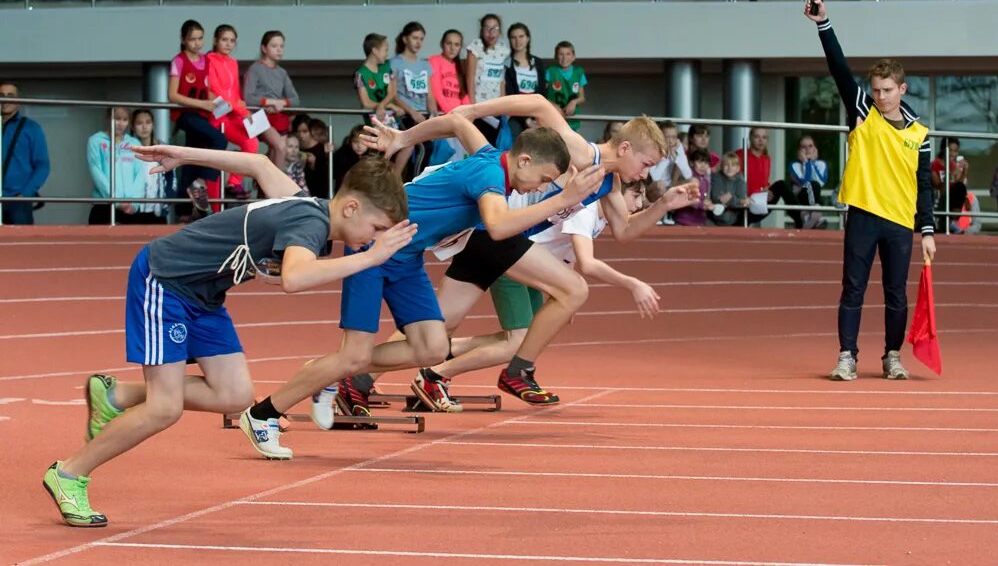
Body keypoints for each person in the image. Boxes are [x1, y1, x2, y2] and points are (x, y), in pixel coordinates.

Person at [42, 146, 414, 527]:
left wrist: (182, 155)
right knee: (164, 408)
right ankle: (69, 473)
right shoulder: (311, 223)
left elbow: (258, 164)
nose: (375, 239)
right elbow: (295, 277)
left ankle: (116, 394)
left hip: (204, 297)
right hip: (166, 281)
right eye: (377, 229)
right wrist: (372, 258)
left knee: (234, 396)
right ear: (351, 208)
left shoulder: (309, 206)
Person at [243, 111, 608, 456]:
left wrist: (404, 137)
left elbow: (455, 121)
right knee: (354, 353)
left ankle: (331, 371)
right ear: (524, 161)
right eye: (544, 179)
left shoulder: (489, 155)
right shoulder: (490, 178)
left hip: (406, 258)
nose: (542, 187)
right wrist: (564, 198)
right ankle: (264, 413)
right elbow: (497, 227)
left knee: (433, 348)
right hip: (373, 245)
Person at [331, 94, 698, 415]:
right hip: (498, 230)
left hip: (488, 236)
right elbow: (538, 103)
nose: (644, 174)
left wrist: (664, 204)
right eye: (647, 164)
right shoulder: (581, 153)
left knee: (440, 326)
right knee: (573, 289)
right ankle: (519, 369)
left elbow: (626, 231)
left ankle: (357, 378)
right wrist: (474, 110)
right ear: (624, 149)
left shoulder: (609, 182)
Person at [409, 179, 665, 412]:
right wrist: (632, 284)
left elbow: (565, 255)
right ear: (616, 196)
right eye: (636, 196)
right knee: (519, 343)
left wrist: (565, 300)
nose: (638, 205)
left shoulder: (596, 217)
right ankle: (435, 374)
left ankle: (448, 351)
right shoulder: (586, 210)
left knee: (529, 336)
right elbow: (587, 264)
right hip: (515, 262)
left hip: (532, 267)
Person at [806, 0, 935, 382]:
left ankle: (892, 356)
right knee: (853, 289)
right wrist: (823, 24)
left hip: (899, 221)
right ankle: (847, 356)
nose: (881, 96)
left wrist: (926, 230)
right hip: (862, 214)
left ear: (902, 88)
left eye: (888, 90)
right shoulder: (862, 110)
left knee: (896, 294)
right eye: (876, 89)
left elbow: (923, 186)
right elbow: (840, 71)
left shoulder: (920, 134)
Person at [168, 19, 227, 217]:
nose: (197, 43)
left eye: (200, 38)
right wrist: (202, 104)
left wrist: (220, 104)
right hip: (186, 114)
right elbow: (173, 95)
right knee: (220, 139)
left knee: (190, 160)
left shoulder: (206, 60)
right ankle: (200, 183)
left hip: (203, 114)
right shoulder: (179, 61)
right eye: (192, 39)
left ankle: (183, 211)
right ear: (184, 40)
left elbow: (207, 90)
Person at [206, 24, 259, 200]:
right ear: (215, 40)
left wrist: (242, 108)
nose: (228, 44)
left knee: (251, 142)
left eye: (232, 41)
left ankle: (234, 183)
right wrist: (242, 111)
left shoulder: (233, 62)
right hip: (218, 113)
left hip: (232, 114)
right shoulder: (209, 59)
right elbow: (216, 89)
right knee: (215, 160)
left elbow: (235, 92)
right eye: (224, 40)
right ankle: (214, 203)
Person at [243, 29, 301, 169]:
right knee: (280, 146)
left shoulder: (282, 72)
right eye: (274, 46)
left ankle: (267, 189)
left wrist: (282, 103)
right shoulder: (255, 69)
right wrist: (270, 102)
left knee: (275, 152)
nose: (279, 50)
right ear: (264, 48)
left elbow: (295, 100)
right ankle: (279, 188)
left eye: (281, 46)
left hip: (276, 117)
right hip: (255, 116)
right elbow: (247, 97)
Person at [355, 32, 411, 175]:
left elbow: (392, 93)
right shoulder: (361, 73)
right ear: (374, 50)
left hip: (392, 119)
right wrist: (387, 105)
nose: (387, 53)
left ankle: (396, 177)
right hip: (375, 122)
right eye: (385, 49)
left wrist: (383, 105)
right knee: (381, 155)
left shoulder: (387, 67)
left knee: (408, 144)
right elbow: (366, 102)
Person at [389, 21, 438, 174]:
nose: (418, 42)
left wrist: (434, 114)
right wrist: (412, 112)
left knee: (428, 149)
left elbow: (430, 93)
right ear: (405, 39)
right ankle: (400, 180)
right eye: (415, 38)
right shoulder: (394, 63)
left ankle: (417, 181)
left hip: (423, 115)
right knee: (417, 147)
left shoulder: (425, 65)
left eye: (421, 39)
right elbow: (393, 94)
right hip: (406, 115)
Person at [1, 81, 50, 225]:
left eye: (10, 95)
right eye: (1, 95)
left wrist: (24, 195)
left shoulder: (32, 128)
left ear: (18, 100)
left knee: (20, 246)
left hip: (18, 201)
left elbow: (43, 166)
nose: (5, 99)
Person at [86, 107, 145, 225]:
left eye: (125, 119)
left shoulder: (135, 143)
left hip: (130, 209)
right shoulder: (95, 141)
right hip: (104, 206)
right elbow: (96, 171)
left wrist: (133, 203)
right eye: (116, 118)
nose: (120, 123)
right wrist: (116, 201)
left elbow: (140, 174)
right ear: (108, 118)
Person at [734, 127, 800, 227]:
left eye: (764, 137)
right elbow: (734, 183)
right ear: (751, 138)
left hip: (760, 201)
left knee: (781, 185)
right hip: (744, 202)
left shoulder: (766, 158)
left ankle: (800, 220)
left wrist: (766, 189)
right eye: (757, 137)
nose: (761, 140)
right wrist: (760, 190)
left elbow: (764, 182)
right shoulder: (739, 155)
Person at [428, 29, 471, 165]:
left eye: (457, 44)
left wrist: (468, 113)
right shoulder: (434, 61)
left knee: (461, 159)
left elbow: (464, 94)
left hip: (459, 118)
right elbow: (436, 90)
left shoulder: (459, 66)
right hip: (445, 117)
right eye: (449, 43)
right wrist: (451, 113)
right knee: (443, 159)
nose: (453, 48)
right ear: (442, 44)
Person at [465, 14, 510, 145]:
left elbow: (501, 80)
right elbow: (470, 77)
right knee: (479, 146)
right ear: (481, 30)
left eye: (494, 28)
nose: (491, 32)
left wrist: (504, 105)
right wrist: (472, 106)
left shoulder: (503, 50)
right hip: (479, 107)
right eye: (487, 28)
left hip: (495, 107)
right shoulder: (475, 47)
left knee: (495, 146)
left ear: (500, 31)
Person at [501, 22, 547, 138]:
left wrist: (536, 117)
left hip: (536, 112)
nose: (518, 41)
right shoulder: (507, 63)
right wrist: (526, 120)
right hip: (516, 113)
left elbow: (542, 92)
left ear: (528, 38)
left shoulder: (538, 62)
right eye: (513, 37)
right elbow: (511, 94)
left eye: (521, 36)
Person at [128, 108, 174, 224]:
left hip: (157, 209)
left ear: (153, 125)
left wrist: (168, 198)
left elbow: (171, 177)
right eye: (139, 123)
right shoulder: (127, 149)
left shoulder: (163, 148)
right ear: (133, 127)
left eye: (148, 122)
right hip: (133, 209)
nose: (144, 127)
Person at [544, 41, 587, 132]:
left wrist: (574, 102)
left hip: (572, 120)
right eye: (561, 54)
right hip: (554, 118)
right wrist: (553, 105)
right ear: (556, 57)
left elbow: (582, 97)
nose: (564, 58)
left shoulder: (578, 72)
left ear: (573, 57)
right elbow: (542, 95)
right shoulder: (550, 71)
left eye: (568, 54)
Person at [790, 134, 830, 229]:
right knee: (811, 184)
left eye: (810, 146)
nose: (807, 149)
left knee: (815, 185)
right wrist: (806, 163)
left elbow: (820, 182)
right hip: (801, 197)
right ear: (798, 151)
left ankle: (811, 217)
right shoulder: (794, 165)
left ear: (815, 149)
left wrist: (811, 163)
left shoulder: (821, 164)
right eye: (803, 147)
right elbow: (805, 182)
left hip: (815, 194)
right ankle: (814, 215)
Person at [710, 152, 749, 226]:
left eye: (733, 165)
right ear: (721, 167)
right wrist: (737, 200)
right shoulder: (716, 177)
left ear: (738, 168)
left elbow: (742, 200)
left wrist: (730, 198)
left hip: (735, 214)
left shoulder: (740, 180)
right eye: (726, 165)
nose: (730, 168)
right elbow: (715, 198)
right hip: (717, 213)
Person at [674, 149, 712, 226]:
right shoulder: (690, 178)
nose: (703, 165)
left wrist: (708, 203)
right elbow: (688, 199)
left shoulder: (706, 181)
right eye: (699, 162)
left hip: (700, 220)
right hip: (684, 220)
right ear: (691, 163)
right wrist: (703, 205)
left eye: (706, 162)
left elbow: (705, 198)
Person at [333, 124, 369, 193]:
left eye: (363, 143)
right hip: (344, 193)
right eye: (355, 142)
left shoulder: (374, 157)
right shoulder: (342, 154)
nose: (359, 146)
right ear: (350, 141)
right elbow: (333, 174)